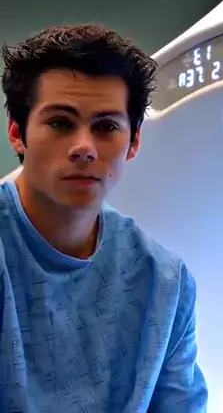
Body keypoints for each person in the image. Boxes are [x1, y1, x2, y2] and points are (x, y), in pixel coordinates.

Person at [0, 24, 208, 412]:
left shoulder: (165, 283)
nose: (84, 148)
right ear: (17, 133)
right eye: (60, 123)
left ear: (133, 142)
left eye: (106, 127)